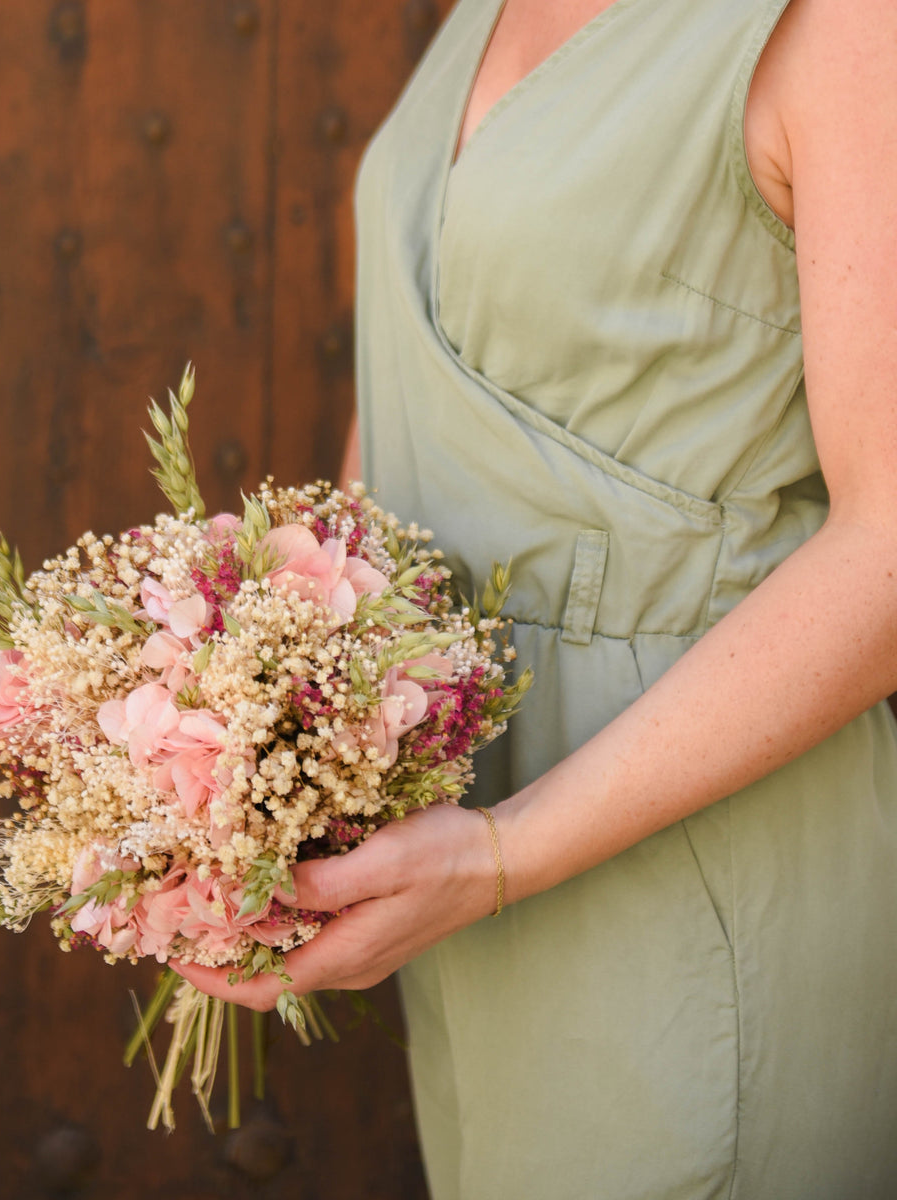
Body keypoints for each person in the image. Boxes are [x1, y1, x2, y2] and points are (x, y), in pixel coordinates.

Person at [177, 0, 897, 1195]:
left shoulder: (848, 27)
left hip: (680, 854)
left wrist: (505, 854)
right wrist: (261, 718)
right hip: (457, 845)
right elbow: (425, 396)